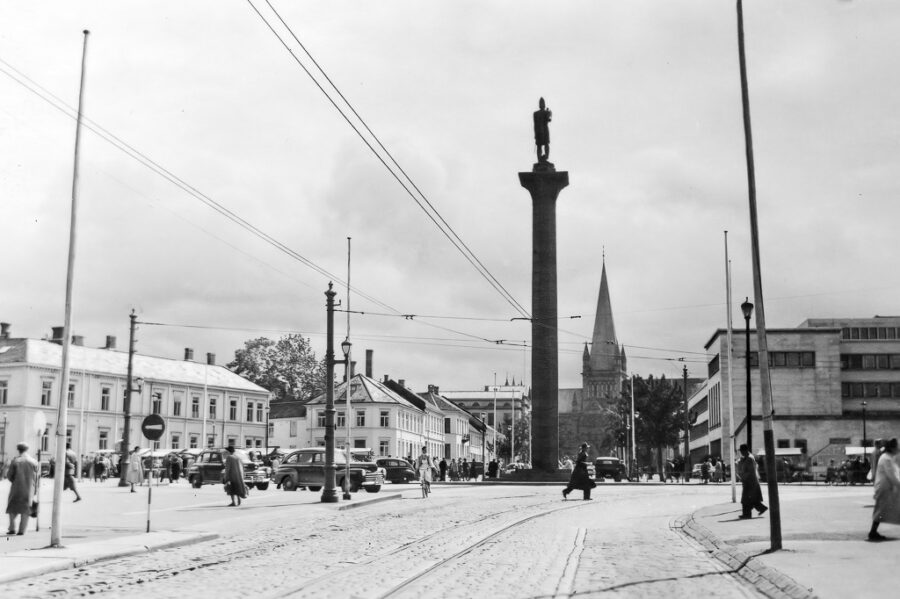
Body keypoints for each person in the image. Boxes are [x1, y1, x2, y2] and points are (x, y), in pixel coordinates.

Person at [869, 438, 900, 541]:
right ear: (893, 447)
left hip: (887, 487)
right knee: (880, 511)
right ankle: (872, 532)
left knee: (881, 511)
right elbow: (892, 475)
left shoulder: (889, 457)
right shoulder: (886, 458)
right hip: (884, 487)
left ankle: (873, 532)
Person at [6, 442, 39, 536]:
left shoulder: (15, 461)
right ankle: (22, 530)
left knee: (12, 508)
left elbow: (9, 476)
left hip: (16, 488)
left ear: (18, 449)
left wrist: (15, 481)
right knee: (26, 509)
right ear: (27, 449)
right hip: (29, 488)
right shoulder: (33, 461)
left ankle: (12, 528)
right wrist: (35, 488)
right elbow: (37, 477)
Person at [737, 444, 767, 519]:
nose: (741, 453)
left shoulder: (749, 458)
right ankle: (761, 508)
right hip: (749, 481)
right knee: (751, 499)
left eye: (741, 451)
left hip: (750, 482)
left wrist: (743, 477)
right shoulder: (747, 458)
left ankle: (747, 514)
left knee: (746, 500)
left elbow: (750, 471)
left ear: (745, 450)